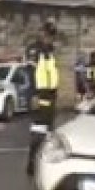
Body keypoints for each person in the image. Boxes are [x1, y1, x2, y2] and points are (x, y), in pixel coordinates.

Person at [27, 21, 60, 177]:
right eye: (47, 35)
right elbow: (30, 73)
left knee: (48, 131)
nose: (49, 38)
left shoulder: (50, 51)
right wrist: (33, 94)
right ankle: (32, 162)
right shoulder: (35, 50)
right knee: (38, 130)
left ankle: (44, 164)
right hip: (39, 93)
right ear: (42, 33)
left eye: (52, 35)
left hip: (50, 94)